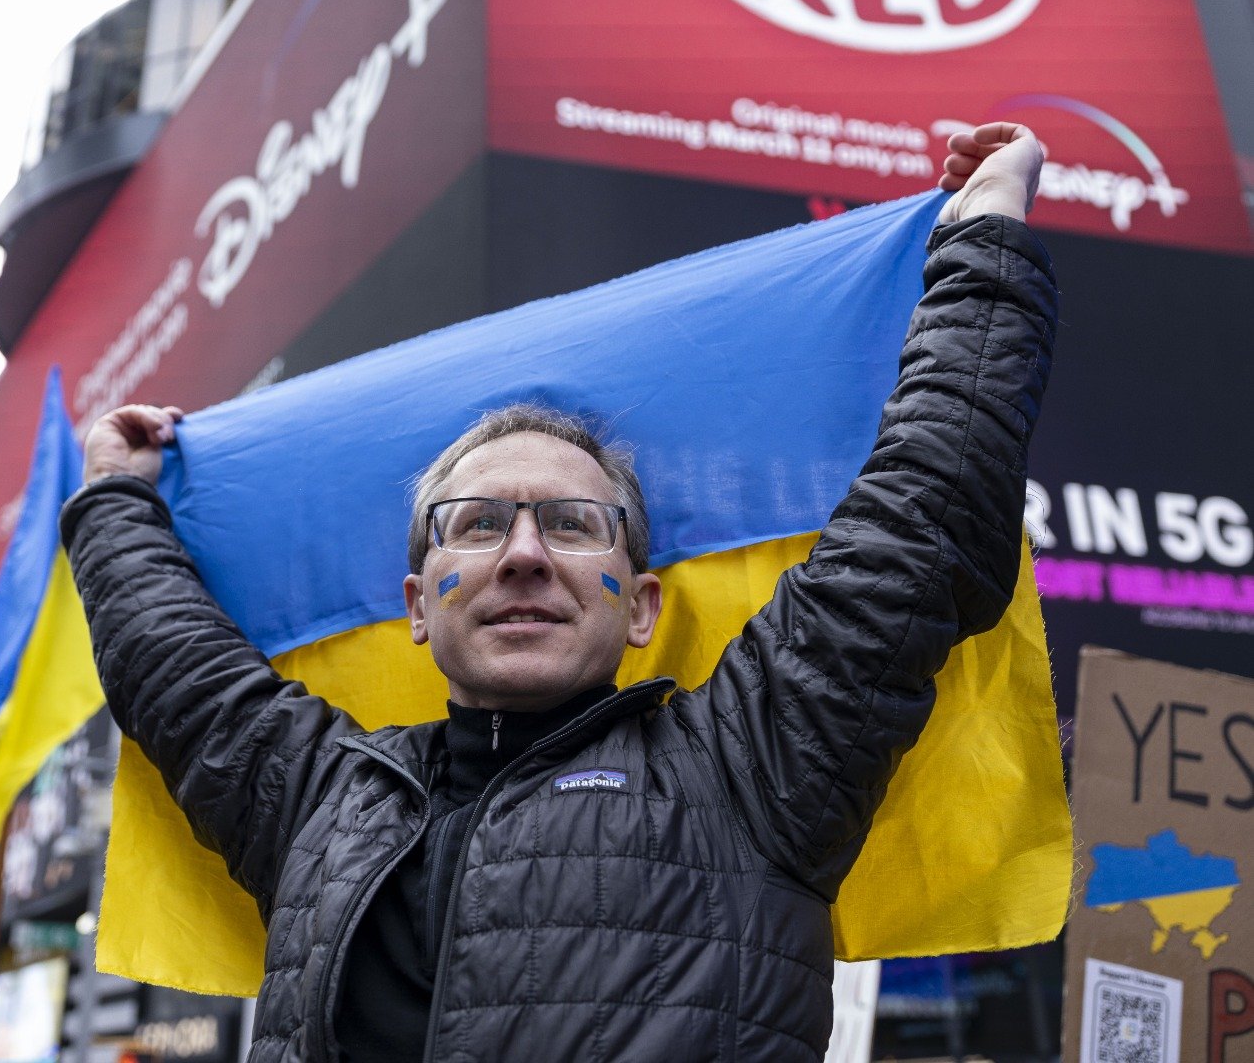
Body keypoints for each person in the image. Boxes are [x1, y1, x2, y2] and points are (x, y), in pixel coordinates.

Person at [60, 123, 1056, 1062]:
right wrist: (112, 495)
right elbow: (167, 662)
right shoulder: (321, 802)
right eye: (479, 522)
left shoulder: (754, 767)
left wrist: (986, 242)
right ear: (417, 604)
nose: (524, 554)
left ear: (642, 606)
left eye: (575, 525)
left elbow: (922, 522)